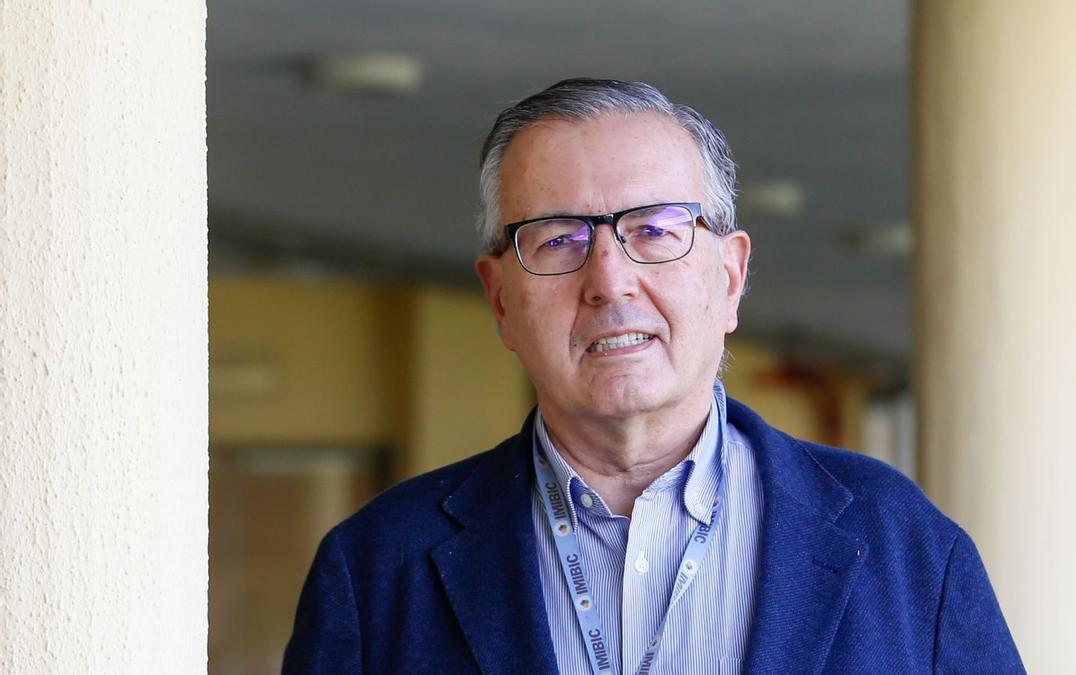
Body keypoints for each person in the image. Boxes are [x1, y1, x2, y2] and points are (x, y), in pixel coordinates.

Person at [282, 78, 1024, 674]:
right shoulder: (378, 567)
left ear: (729, 277)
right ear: (500, 298)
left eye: (656, 231)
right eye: (558, 238)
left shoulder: (901, 543)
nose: (609, 280)